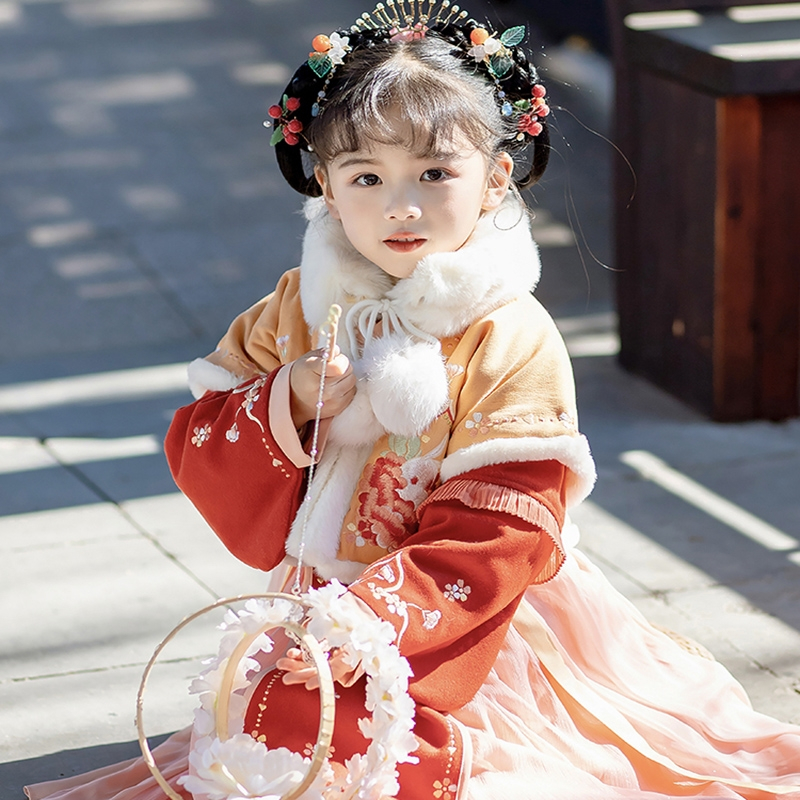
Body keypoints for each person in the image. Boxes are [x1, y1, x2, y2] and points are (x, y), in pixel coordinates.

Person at [25, 2, 800, 799]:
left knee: (377, 750)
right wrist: (290, 398)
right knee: (275, 735)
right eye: (367, 177)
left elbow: (505, 524)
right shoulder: (297, 306)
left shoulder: (508, 331)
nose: (402, 205)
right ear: (326, 189)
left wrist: (369, 624)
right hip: (324, 600)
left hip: (461, 617)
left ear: (495, 178)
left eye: (434, 174)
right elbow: (200, 442)